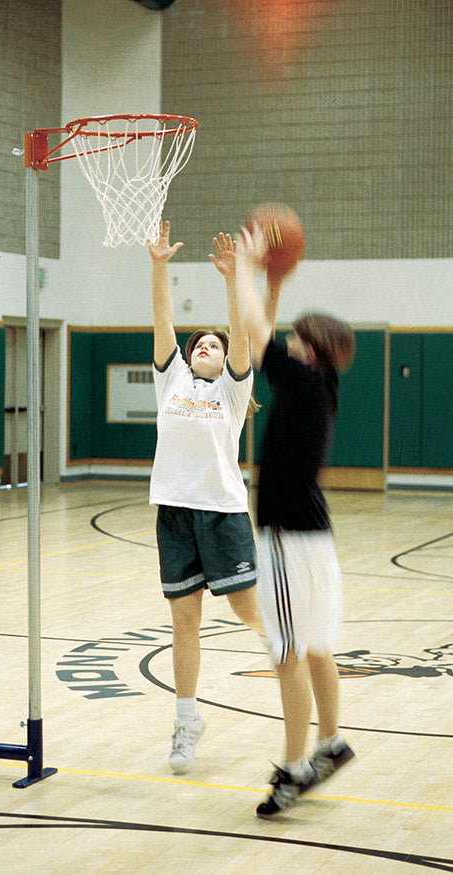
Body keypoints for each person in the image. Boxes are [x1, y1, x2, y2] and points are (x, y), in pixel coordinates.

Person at [233, 222, 356, 818]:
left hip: (285, 537)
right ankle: (329, 743)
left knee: (286, 651)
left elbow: (257, 339)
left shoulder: (306, 384)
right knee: (315, 645)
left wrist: (245, 270)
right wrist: (269, 281)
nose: (293, 344)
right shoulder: (321, 386)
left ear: (313, 348)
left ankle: (292, 768)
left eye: (299, 340)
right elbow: (268, 340)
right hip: (313, 537)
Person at [148, 220, 263, 774]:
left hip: (223, 514)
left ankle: (295, 653)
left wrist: (233, 278)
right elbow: (164, 322)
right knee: (184, 623)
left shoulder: (232, 392)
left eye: (214, 345)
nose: (208, 347)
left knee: (247, 610)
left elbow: (241, 332)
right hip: (174, 513)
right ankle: (186, 719)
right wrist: (158, 265)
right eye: (201, 344)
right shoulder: (171, 382)